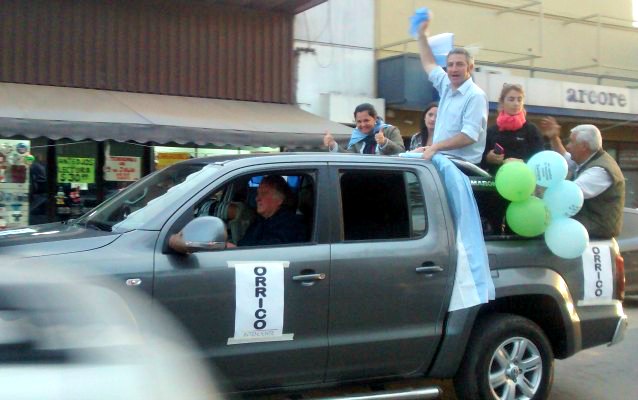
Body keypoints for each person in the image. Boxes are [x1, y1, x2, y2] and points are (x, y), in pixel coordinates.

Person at [415, 16, 488, 163]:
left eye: (460, 64)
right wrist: (422, 36)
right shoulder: (446, 85)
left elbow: (468, 136)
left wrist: (435, 147)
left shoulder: (475, 96)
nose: (454, 69)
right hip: (443, 161)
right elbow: (429, 63)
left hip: (462, 166)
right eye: (450, 64)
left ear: (470, 67)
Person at [169, 175, 306, 253]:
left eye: (263, 193)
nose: (257, 198)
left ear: (280, 199)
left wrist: (223, 246)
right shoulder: (262, 220)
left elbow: (265, 254)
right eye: (257, 193)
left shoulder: (289, 225)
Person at [540, 117, 625, 238]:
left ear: (584, 146)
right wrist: (554, 138)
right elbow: (565, 160)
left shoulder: (600, 171)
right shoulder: (589, 160)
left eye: (571, 142)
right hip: (584, 229)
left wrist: (537, 191)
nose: (568, 146)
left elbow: (569, 194)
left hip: (594, 234)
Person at [481, 84, 544, 175]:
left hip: (524, 180)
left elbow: (540, 160)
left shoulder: (531, 129)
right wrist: (488, 158)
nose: (516, 103)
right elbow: (479, 161)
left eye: (519, 99)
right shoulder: (491, 131)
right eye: (511, 99)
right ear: (502, 102)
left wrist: (522, 162)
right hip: (496, 182)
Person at [323, 103, 405, 155]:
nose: (363, 125)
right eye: (359, 121)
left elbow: (401, 152)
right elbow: (349, 158)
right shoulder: (357, 136)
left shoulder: (390, 130)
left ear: (375, 118)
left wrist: (384, 142)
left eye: (366, 120)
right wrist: (333, 144)